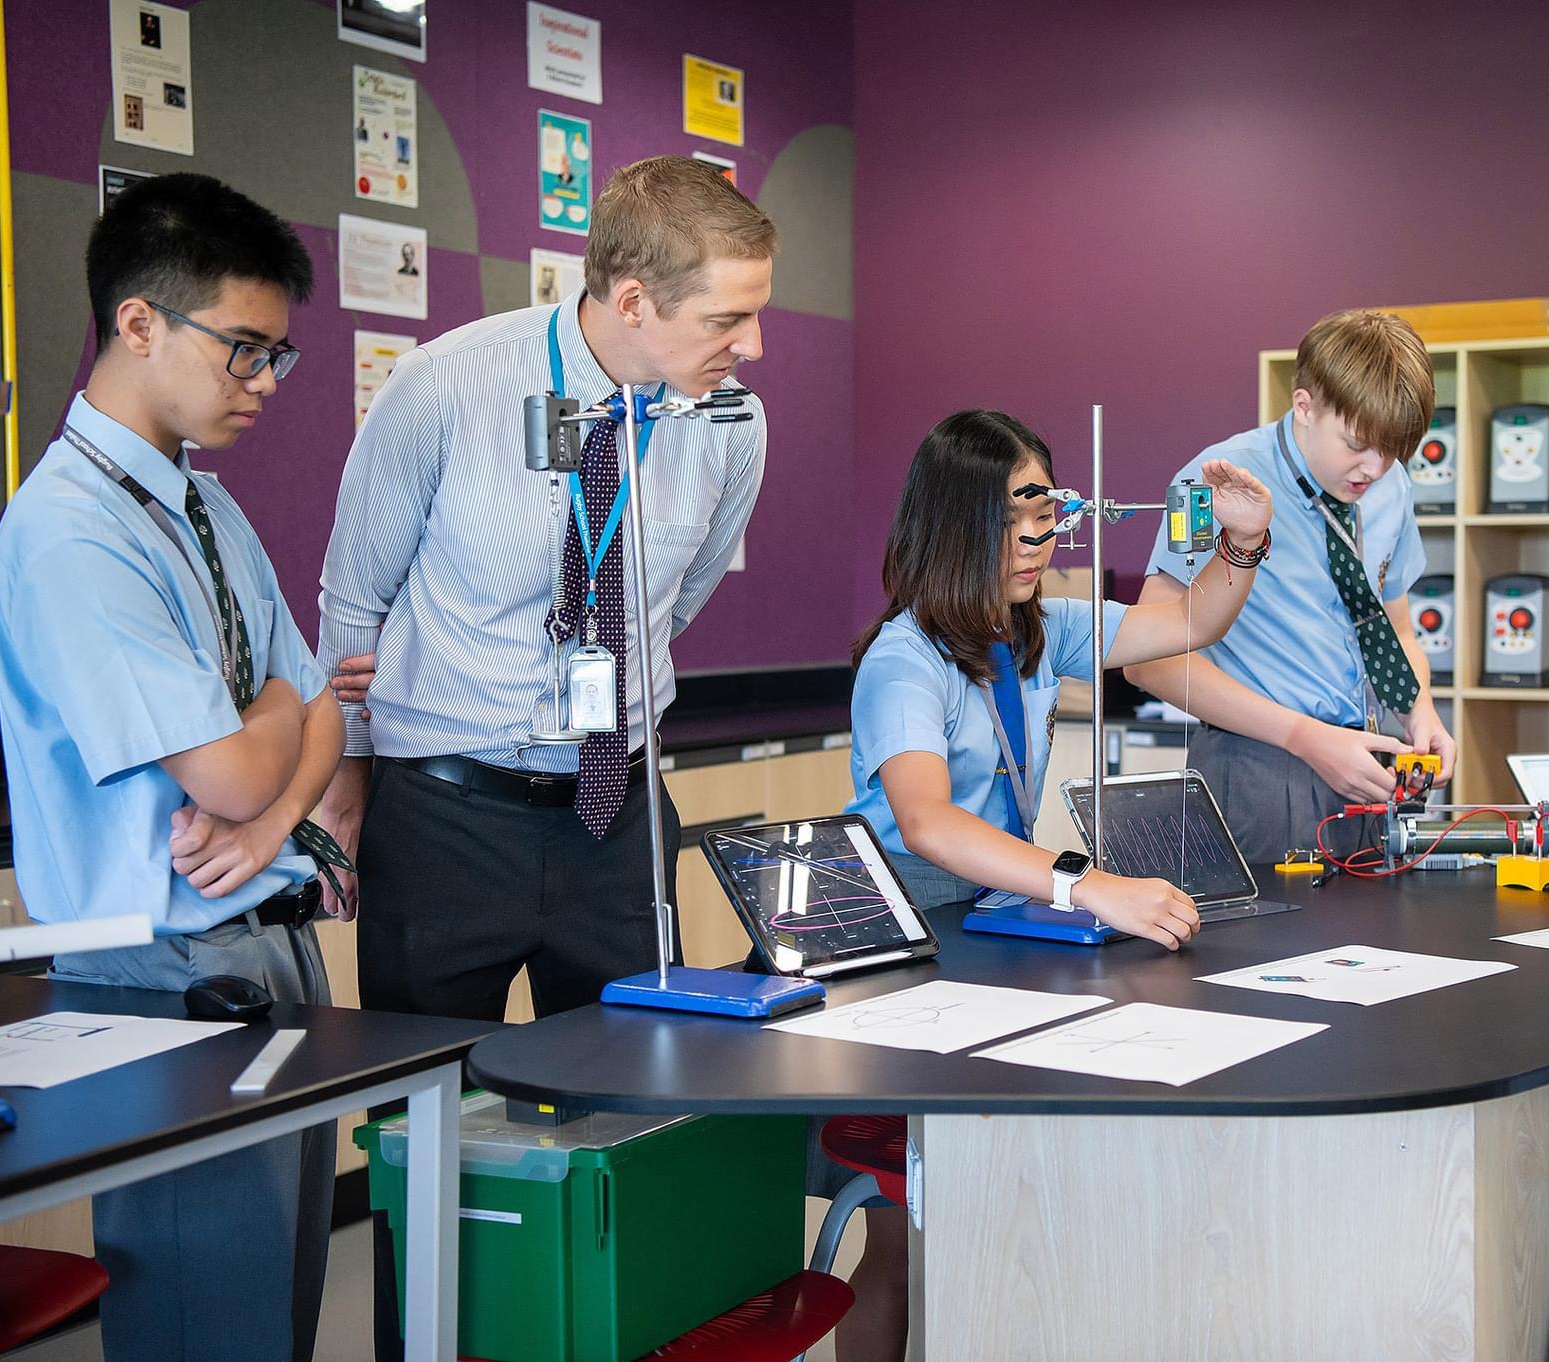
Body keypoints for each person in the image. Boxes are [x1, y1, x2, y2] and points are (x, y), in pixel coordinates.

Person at [316, 159, 769, 1356]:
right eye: (728, 315)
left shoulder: (729, 422)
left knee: (635, 1105)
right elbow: (352, 598)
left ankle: (616, 1330)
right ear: (631, 301)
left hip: (615, 810)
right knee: (425, 1125)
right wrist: (347, 777)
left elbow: (684, 589)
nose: (754, 344)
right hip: (446, 808)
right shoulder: (446, 389)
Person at [0, 172, 345, 1362]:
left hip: (261, 927)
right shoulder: (71, 531)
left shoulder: (199, 504)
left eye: (276, 357)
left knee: (277, 1302)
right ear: (138, 323)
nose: (263, 387)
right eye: (243, 351)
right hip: (163, 965)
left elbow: (316, 725)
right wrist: (277, 742)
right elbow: (253, 752)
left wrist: (274, 800)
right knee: (209, 1314)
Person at [834, 408, 1268, 1358]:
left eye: (1045, 516)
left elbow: (1184, 623)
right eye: (1018, 519)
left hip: (982, 931)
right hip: (897, 952)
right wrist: (1086, 883)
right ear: (956, 524)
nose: (1039, 540)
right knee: (903, 1242)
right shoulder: (904, 659)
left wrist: (1241, 543)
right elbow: (928, 822)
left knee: (994, 1209)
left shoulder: (1034, 631)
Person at [1123, 309, 1452, 866]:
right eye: (1356, 444)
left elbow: (1395, 626)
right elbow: (1148, 660)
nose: (1374, 468)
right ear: (1304, 406)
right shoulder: (1212, 481)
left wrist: (1421, 713)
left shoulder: (1391, 485)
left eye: (1392, 451)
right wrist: (1307, 739)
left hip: (1365, 769)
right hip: (1255, 768)